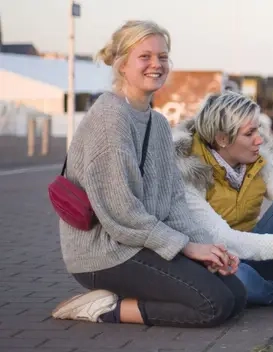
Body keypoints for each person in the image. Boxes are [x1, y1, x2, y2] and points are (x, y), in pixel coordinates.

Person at [52, 20, 247, 328]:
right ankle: (105, 308)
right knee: (213, 304)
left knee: (235, 295)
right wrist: (185, 246)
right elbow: (121, 213)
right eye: (145, 57)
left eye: (163, 57)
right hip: (105, 253)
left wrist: (206, 247)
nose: (156, 64)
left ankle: (141, 295)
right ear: (121, 64)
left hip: (140, 243)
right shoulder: (110, 119)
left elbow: (173, 200)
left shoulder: (155, 123)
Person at [173, 91, 273, 316]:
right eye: (250, 133)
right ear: (222, 138)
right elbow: (220, 237)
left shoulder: (259, 161)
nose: (260, 139)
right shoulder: (187, 169)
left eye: (258, 130)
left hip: (256, 253)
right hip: (215, 260)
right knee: (238, 280)